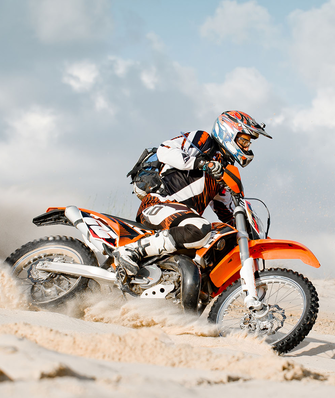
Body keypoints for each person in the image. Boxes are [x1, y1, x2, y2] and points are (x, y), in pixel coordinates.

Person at [112, 110, 271, 275]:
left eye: (248, 144)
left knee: (223, 236)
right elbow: (164, 150)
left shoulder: (222, 174)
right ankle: (130, 251)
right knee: (200, 228)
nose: (246, 147)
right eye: (244, 141)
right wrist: (202, 164)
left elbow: (228, 213)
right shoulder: (203, 141)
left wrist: (250, 231)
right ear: (229, 132)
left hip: (182, 218)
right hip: (158, 203)